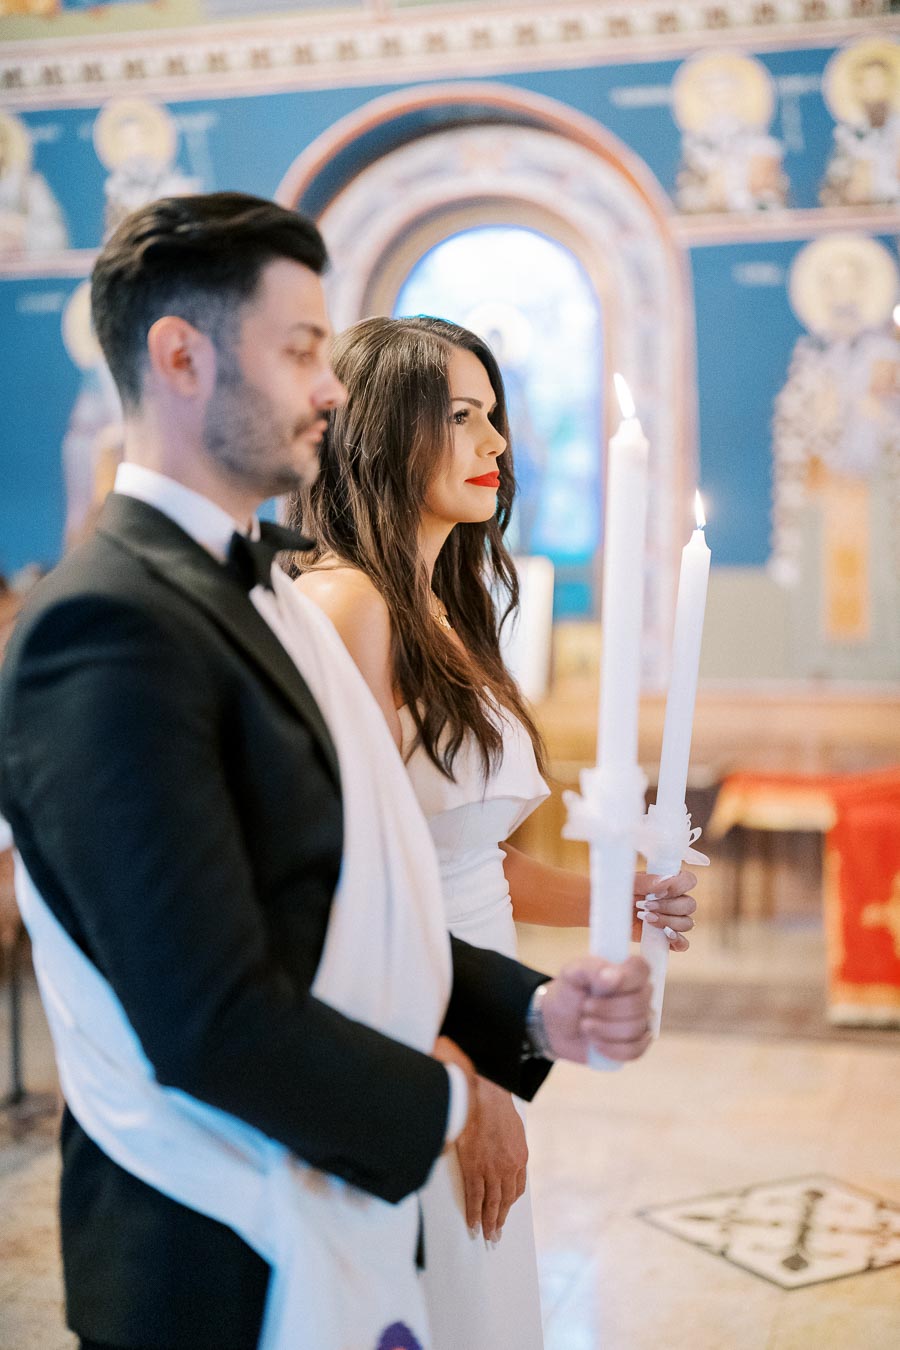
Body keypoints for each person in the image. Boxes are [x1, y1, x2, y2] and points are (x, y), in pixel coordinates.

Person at [0, 194, 657, 1350]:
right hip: (214, 1256)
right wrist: (456, 1093)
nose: (332, 387)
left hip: (324, 1193)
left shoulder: (266, 597)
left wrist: (539, 1013)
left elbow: (353, 909)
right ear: (180, 356)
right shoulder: (103, 626)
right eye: (302, 348)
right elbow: (209, 1010)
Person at [288, 315, 698, 1350]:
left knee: (484, 1298)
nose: (497, 444)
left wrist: (628, 895)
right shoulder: (347, 605)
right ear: (382, 431)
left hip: (472, 995)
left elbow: (470, 860)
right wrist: (456, 1078)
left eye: (495, 417)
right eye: (460, 416)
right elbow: (349, 880)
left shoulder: (441, 611)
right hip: (406, 1024)